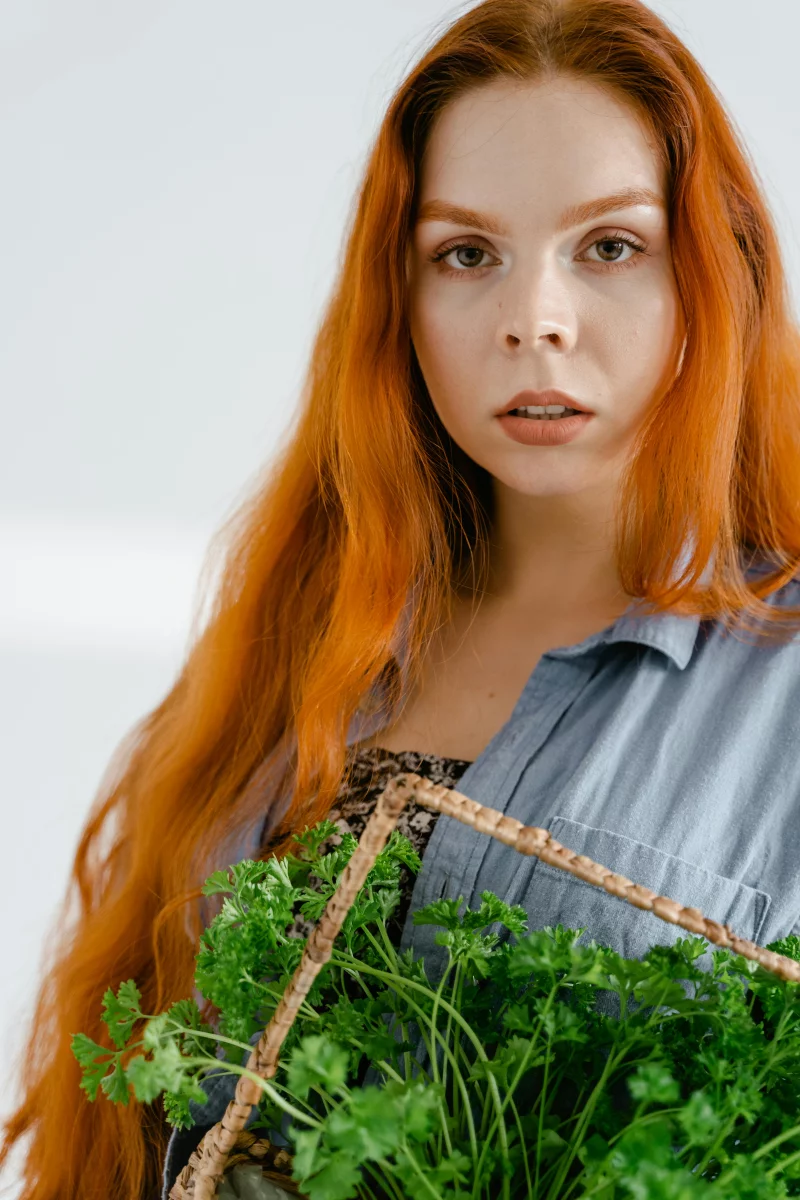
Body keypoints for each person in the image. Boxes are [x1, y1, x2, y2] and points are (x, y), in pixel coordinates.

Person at [5, 0, 800, 1197]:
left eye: (609, 247)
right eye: (465, 254)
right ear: (400, 296)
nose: (532, 319)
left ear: (713, 271)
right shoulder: (305, 641)